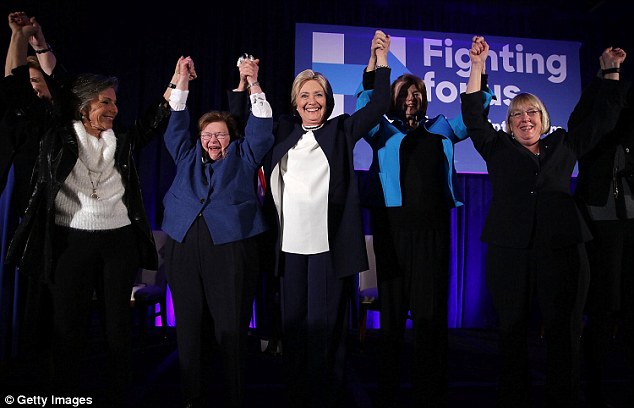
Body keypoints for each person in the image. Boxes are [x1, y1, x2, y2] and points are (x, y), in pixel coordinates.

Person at [461, 36, 628, 408]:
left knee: (564, 333)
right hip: (510, 252)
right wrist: (477, 66)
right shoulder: (497, 147)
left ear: (544, 118)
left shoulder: (565, 144)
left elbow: (602, 119)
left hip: (562, 250)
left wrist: (611, 72)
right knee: (512, 332)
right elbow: (473, 115)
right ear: (509, 123)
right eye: (517, 115)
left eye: (532, 112)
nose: (525, 120)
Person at [5, 53, 174, 405]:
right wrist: (26, 42)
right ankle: (65, 395)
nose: (113, 108)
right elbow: (20, 93)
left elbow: (155, 120)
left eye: (114, 101)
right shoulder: (55, 134)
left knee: (117, 329)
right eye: (105, 101)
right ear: (83, 105)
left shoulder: (122, 141)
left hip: (119, 241)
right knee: (68, 328)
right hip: (70, 241)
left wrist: (176, 81)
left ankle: (120, 394)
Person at [355, 50, 494, 407]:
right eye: (403, 92)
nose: (410, 98)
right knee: (392, 316)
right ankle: (387, 389)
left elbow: (475, 114)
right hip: (392, 230)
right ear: (393, 99)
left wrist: (477, 68)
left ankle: (430, 391)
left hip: (433, 232)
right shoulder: (381, 129)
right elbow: (365, 101)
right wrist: (376, 61)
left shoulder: (442, 127)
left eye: (416, 92)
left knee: (430, 316)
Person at [264, 30, 391, 407]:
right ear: (295, 102)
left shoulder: (342, 130)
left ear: (329, 100)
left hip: (328, 246)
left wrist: (380, 60)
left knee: (326, 329)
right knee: (295, 326)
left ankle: (327, 394)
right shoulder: (283, 131)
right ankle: (297, 392)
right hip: (289, 247)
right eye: (304, 95)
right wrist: (248, 85)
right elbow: (248, 127)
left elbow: (379, 101)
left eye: (318, 94)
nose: (312, 100)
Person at [161, 55, 273, 408]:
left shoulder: (245, 154)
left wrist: (253, 82)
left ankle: (234, 395)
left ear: (232, 137)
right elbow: (175, 121)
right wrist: (181, 81)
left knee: (231, 327)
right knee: (190, 326)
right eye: (207, 134)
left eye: (220, 134)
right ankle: (193, 394)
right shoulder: (186, 153)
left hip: (230, 248)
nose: (212, 140)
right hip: (184, 245)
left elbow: (262, 125)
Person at [568, 55, 633, 407]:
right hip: (600, 217)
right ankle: (593, 384)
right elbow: (589, 125)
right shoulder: (590, 117)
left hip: (630, 217)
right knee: (603, 304)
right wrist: (606, 80)